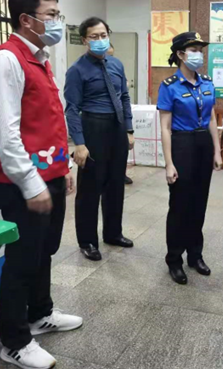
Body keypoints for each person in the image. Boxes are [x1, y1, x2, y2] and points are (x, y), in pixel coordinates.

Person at [0, 0, 82, 369]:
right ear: (26, 19)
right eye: (51, 15)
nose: (57, 21)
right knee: (23, 259)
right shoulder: (5, 61)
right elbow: (4, 133)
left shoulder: (40, 59)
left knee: (44, 252)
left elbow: (48, 123)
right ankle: (14, 341)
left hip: (48, 176)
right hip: (21, 184)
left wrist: (62, 168)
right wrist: (31, 183)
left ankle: (40, 313)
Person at [64, 17, 134, 262]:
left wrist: (128, 129)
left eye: (103, 35)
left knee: (115, 184)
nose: (100, 40)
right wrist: (79, 143)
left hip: (117, 128)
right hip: (93, 127)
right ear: (85, 40)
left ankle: (113, 233)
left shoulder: (116, 64)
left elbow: (124, 97)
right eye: (94, 36)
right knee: (90, 189)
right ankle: (87, 241)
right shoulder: (77, 70)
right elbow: (72, 109)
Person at [157, 32, 223, 285]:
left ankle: (195, 255)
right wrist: (169, 163)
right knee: (180, 205)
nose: (199, 54)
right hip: (182, 144)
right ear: (180, 54)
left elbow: (212, 118)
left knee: (198, 203)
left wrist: (217, 151)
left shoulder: (207, 82)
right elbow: (165, 127)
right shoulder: (169, 86)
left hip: (203, 144)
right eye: (193, 50)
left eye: (200, 50)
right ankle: (174, 259)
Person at [106, 42, 134, 185]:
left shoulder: (117, 67)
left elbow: (125, 97)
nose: (109, 59)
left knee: (121, 151)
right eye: (107, 56)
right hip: (98, 121)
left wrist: (129, 129)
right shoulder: (82, 69)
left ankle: (121, 174)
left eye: (112, 56)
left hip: (118, 118)